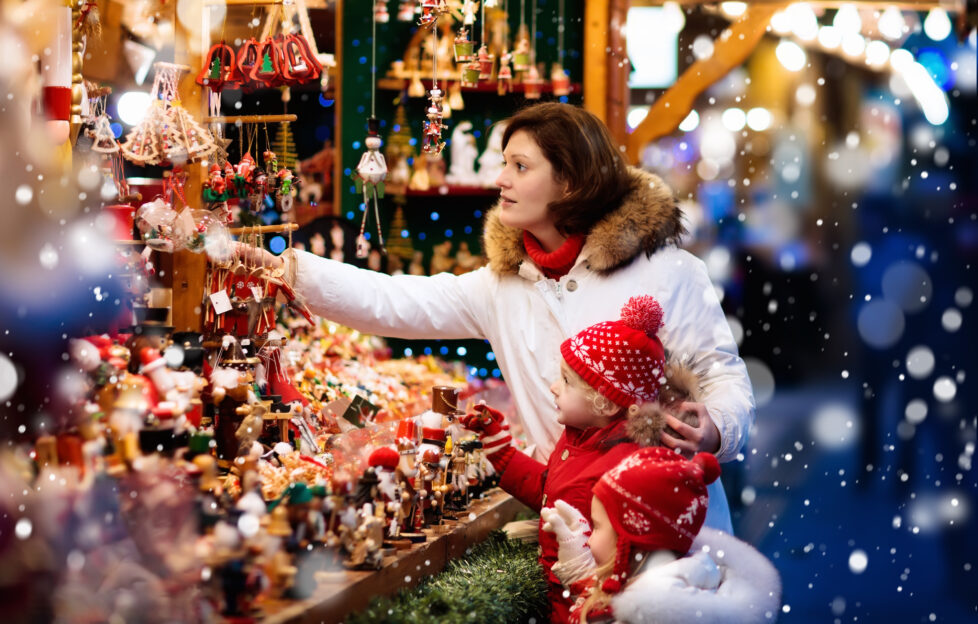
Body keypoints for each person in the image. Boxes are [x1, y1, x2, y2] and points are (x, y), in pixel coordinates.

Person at [233, 101, 754, 530]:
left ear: (570, 182)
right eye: (503, 162)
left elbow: (721, 376)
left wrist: (717, 427)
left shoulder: (668, 272)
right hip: (573, 526)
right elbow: (392, 301)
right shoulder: (501, 286)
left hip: (671, 525)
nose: (499, 179)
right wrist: (288, 269)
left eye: (520, 167)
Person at [461, 294, 699, 622]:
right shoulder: (580, 439)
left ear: (606, 402)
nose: (554, 387)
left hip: (579, 606)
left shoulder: (624, 470)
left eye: (568, 382)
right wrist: (501, 449)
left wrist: (580, 578)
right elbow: (552, 491)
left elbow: (621, 569)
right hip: (561, 595)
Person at [542, 447, 781, 623]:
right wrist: (577, 560)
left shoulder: (647, 614)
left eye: (597, 526)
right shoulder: (653, 586)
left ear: (633, 537)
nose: (590, 539)